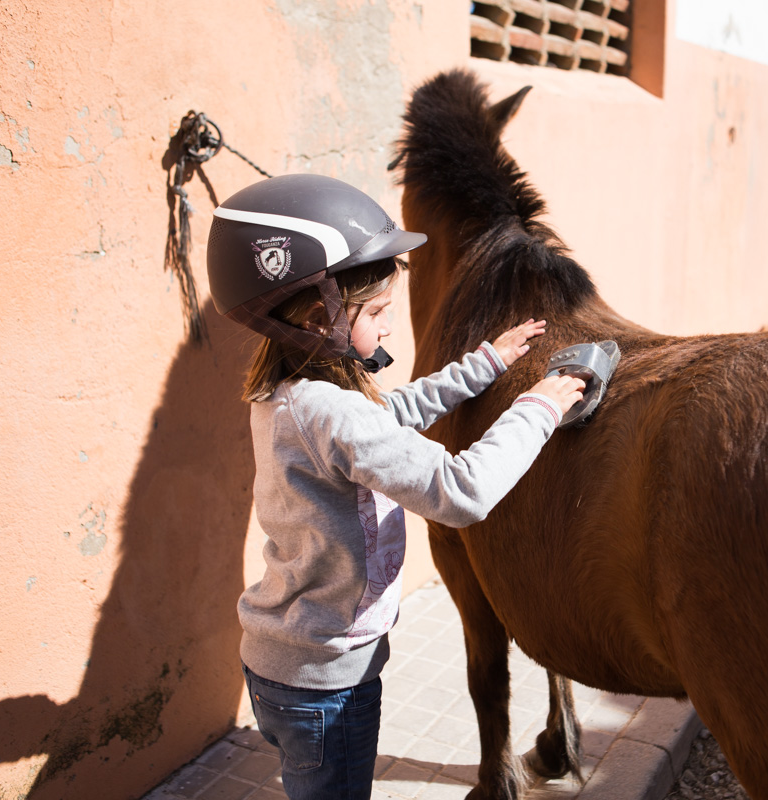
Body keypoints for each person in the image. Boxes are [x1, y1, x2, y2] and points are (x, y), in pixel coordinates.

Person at [204, 173, 585, 800]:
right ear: (314, 313)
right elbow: (460, 491)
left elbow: (388, 413)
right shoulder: (334, 411)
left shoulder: (291, 397)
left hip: (282, 667)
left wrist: (485, 364)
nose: (388, 329)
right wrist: (539, 407)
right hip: (328, 687)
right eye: (376, 312)